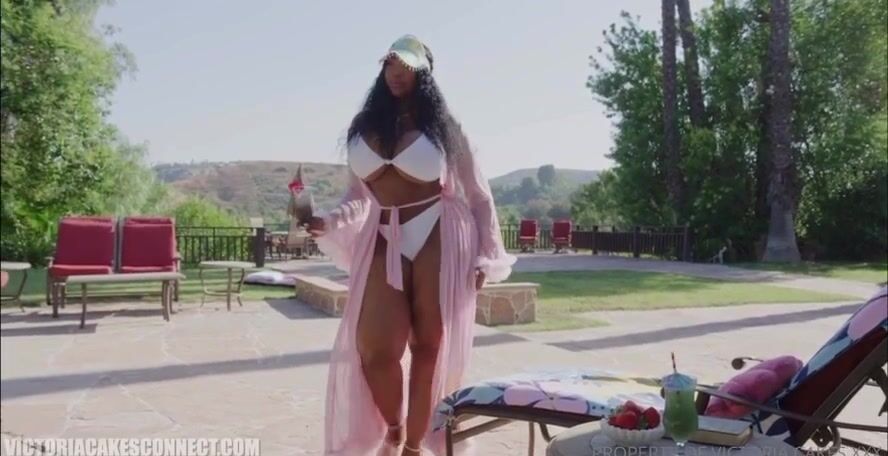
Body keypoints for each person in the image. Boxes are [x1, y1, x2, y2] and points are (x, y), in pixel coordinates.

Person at [305, 35, 515, 456]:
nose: (396, 73)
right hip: (384, 232)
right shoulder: (366, 127)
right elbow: (358, 197)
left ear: (424, 74)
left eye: (406, 66)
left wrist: (485, 255)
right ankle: (394, 427)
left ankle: (414, 446)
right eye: (389, 64)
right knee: (374, 349)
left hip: (441, 230)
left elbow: (478, 195)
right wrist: (326, 221)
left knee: (428, 346)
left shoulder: (444, 129)